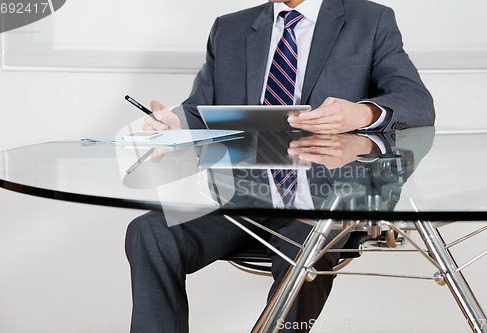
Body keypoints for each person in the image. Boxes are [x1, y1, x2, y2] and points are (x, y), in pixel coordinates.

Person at [125, 0, 435, 332]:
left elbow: (416, 102)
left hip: (322, 206)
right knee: (149, 231)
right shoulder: (229, 28)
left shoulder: (370, 19)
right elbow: (200, 112)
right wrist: (177, 123)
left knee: (306, 246)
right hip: (242, 200)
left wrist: (363, 113)